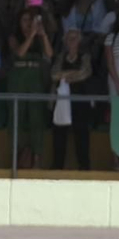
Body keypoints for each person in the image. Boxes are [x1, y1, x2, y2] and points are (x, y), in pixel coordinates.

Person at [5, 7, 53, 169]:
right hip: (18, 78)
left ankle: (37, 159)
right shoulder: (14, 38)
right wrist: (31, 35)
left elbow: (49, 54)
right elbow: (19, 53)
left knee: (36, 118)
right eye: (24, 20)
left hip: (35, 78)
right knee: (16, 117)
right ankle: (15, 157)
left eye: (30, 20)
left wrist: (43, 34)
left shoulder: (39, 39)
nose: (27, 24)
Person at [49, 27, 94, 170]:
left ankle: (84, 167)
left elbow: (85, 73)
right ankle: (57, 166)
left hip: (80, 100)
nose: (72, 41)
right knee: (59, 134)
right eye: (69, 38)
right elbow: (54, 74)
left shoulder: (85, 56)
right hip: (62, 100)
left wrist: (65, 75)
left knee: (81, 134)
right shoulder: (60, 57)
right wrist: (73, 73)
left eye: (75, 38)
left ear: (79, 41)